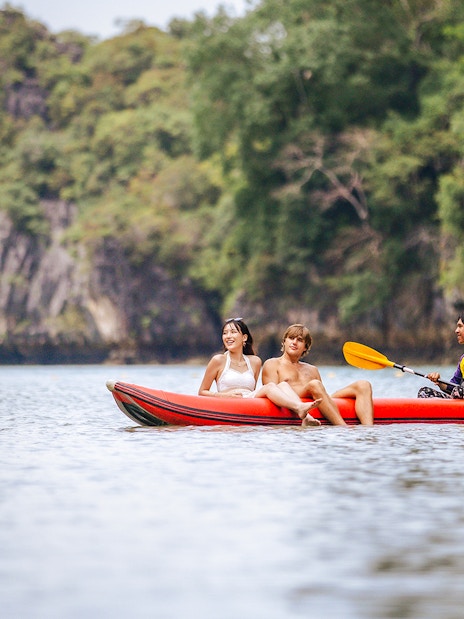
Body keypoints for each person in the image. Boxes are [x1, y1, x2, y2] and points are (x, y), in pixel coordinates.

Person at [198, 318, 322, 427]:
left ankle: (306, 415)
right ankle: (299, 408)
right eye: (225, 333)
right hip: (227, 402)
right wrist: (224, 396)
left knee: (282, 385)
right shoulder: (218, 360)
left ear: (244, 338)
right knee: (270, 387)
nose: (228, 336)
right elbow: (202, 392)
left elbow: (253, 390)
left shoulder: (255, 361)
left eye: (233, 332)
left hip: (249, 401)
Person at [262, 323, 374, 426]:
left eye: (299, 340)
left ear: (305, 347)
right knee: (314, 384)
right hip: (296, 403)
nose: (294, 342)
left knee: (363, 385)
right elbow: (273, 393)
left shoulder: (312, 369)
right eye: (291, 338)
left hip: (316, 401)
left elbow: (322, 396)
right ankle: (342, 427)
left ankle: (369, 431)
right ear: (284, 342)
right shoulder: (272, 364)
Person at [417, 314, 464, 399]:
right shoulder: (463, 360)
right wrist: (438, 381)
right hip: (459, 403)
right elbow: (452, 387)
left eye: (460, 326)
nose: (456, 330)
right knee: (424, 393)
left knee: (460, 390)